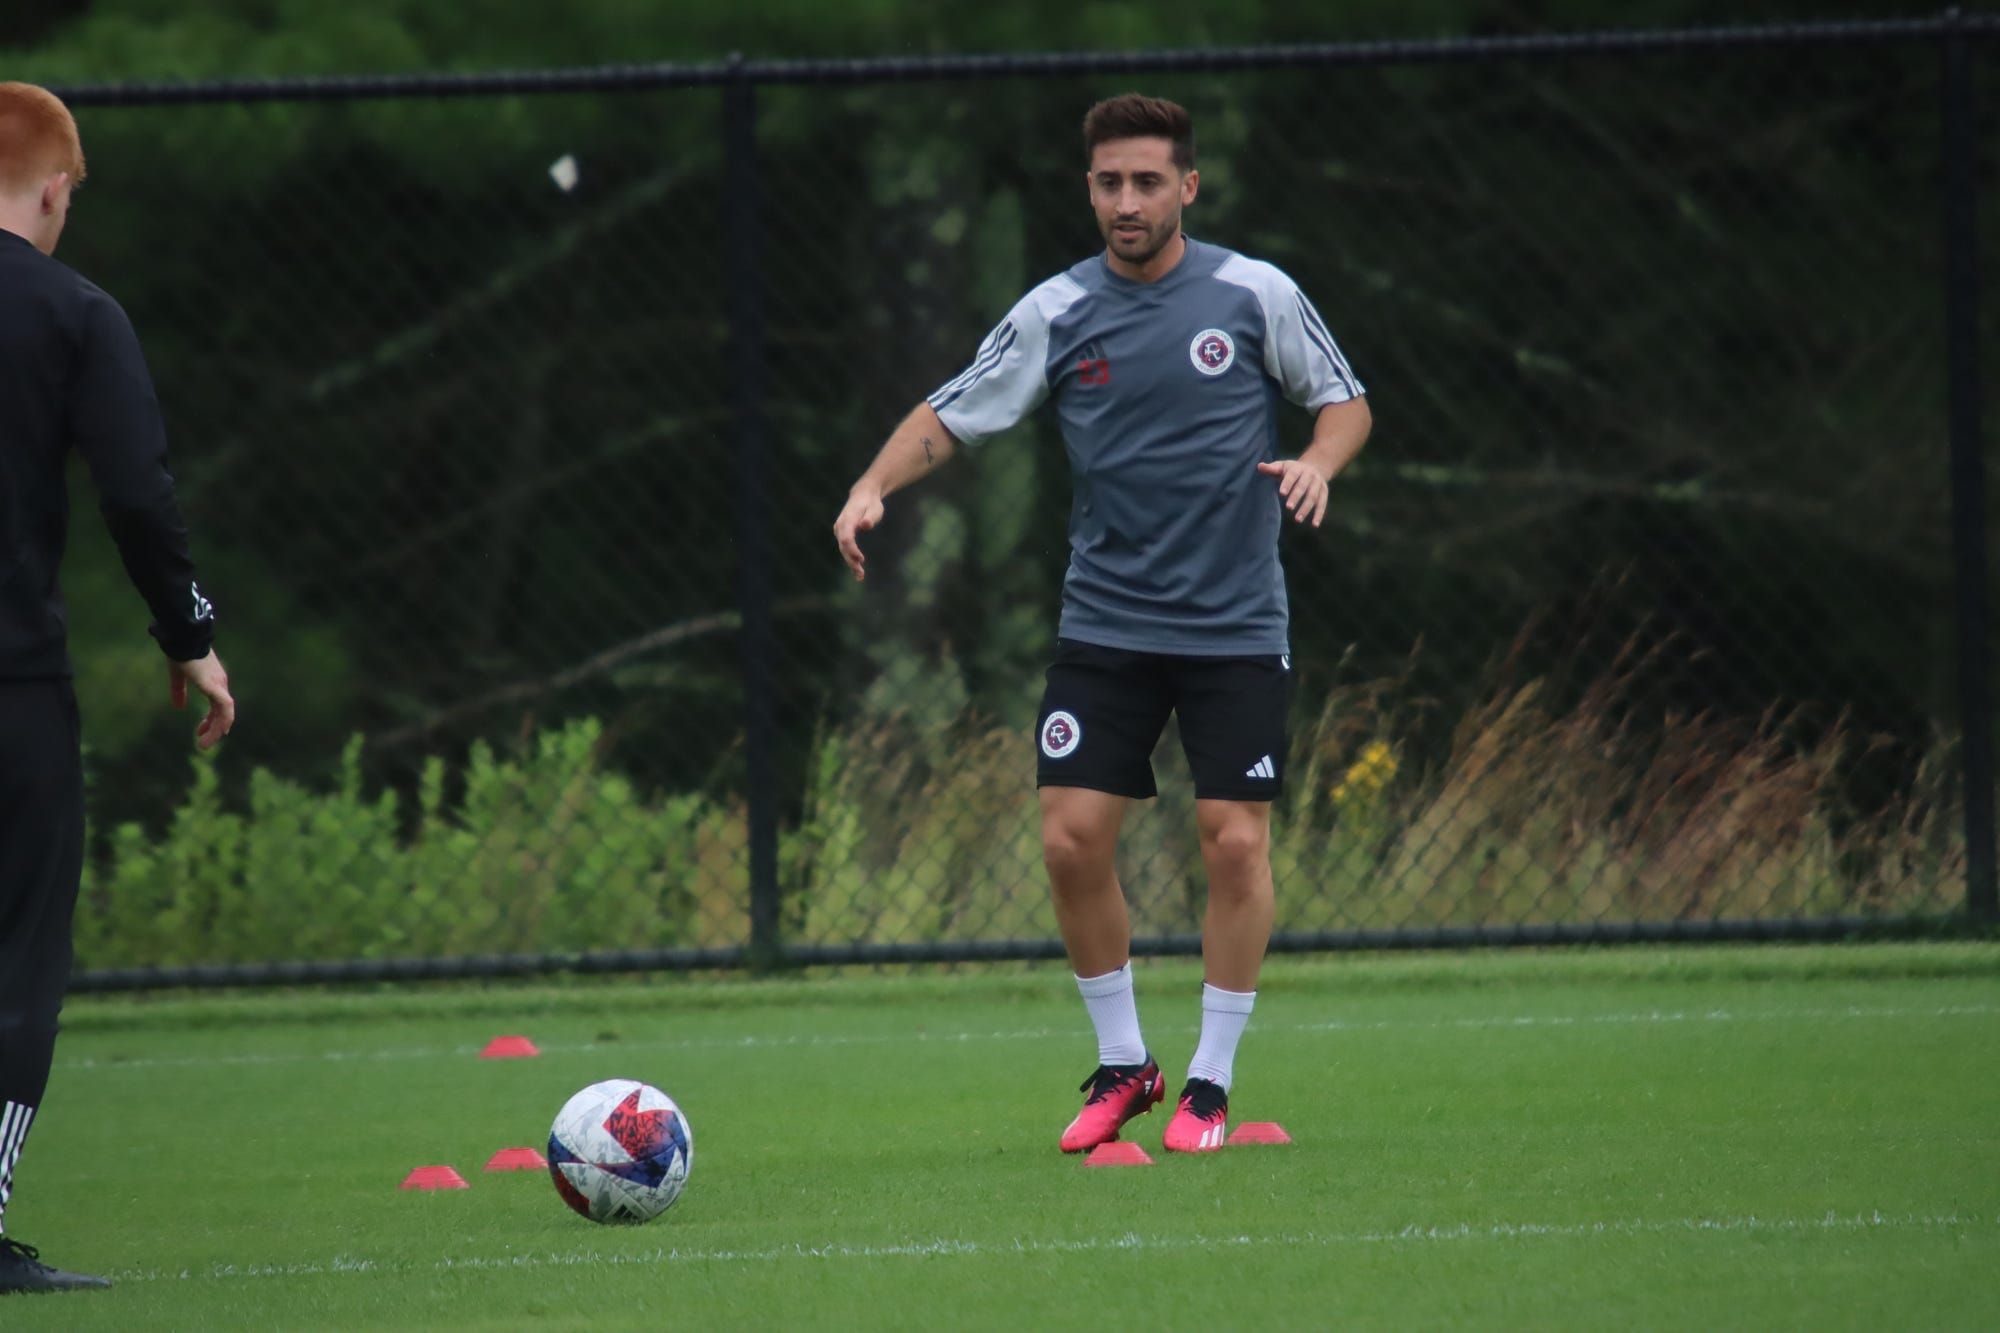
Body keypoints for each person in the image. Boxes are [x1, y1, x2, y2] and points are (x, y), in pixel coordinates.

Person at [833, 93, 1370, 1154]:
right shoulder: (1054, 311)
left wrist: (1314, 463)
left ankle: (1209, 1085)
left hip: (1232, 625)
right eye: (1107, 183)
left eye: (1145, 182)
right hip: (1107, 622)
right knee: (1070, 839)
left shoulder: (1252, 294)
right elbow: (954, 410)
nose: (1125, 202)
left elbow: (1343, 400)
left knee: (1230, 844)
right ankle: (1126, 1063)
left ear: (1186, 187)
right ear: (1088, 190)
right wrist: (870, 486)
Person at [0, 81, 235, 1295]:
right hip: (13, 685)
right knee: (18, 952)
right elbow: (136, 491)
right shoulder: (73, 313)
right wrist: (185, 632)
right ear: (55, 187)